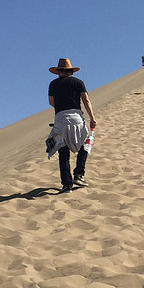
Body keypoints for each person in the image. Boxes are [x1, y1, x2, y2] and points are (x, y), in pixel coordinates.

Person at [46, 58, 97, 190]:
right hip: (76, 118)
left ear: (58, 72)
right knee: (85, 145)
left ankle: (66, 184)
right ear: (71, 72)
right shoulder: (78, 82)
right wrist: (92, 117)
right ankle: (79, 174)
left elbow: (51, 102)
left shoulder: (53, 84)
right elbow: (86, 100)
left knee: (63, 152)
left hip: (60, 119)